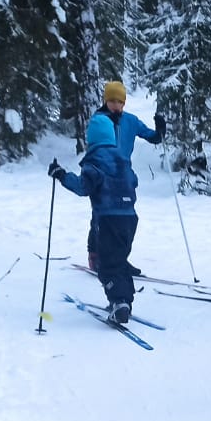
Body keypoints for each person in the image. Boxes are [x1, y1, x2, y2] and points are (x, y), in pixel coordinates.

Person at [50, 113, 140, 324]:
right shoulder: (122, 159)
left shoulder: (95, 160)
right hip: (130, 218)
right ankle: (124, 299)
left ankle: (119, 302)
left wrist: (61, 175)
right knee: (119, 260)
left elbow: (83, 187)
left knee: (106, 264)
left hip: (109, 219)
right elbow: (133, 181)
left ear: (92, 139)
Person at [88, 81, 161, 275]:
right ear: (106, 100)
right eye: (112, 100)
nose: (116, 105)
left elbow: (151, 136)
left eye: (119, 101)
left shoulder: (130, 120)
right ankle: (96, 256)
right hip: (102, 174)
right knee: (100, 217)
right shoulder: (99, 120)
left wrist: (160, 130)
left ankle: (120, 259)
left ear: (124, 102)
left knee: (125, 220)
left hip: (122, 176)